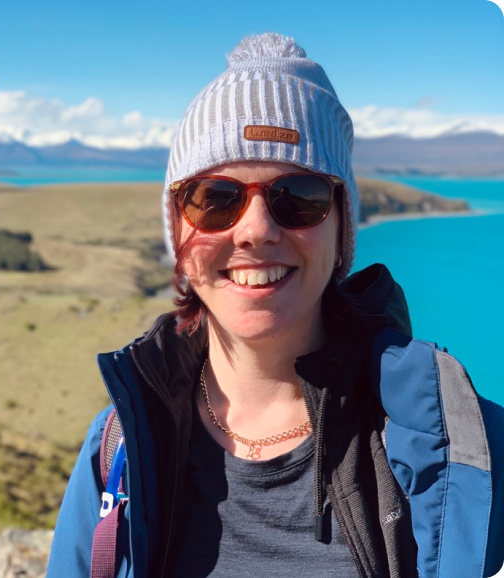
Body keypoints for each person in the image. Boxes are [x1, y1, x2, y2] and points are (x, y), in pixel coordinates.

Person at [46, 33, 504, 578]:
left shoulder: (464, 455)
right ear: (177, 232)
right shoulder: (117, 453)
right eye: (215, 198)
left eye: (300, 196)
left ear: (341, 228)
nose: (257, 230)